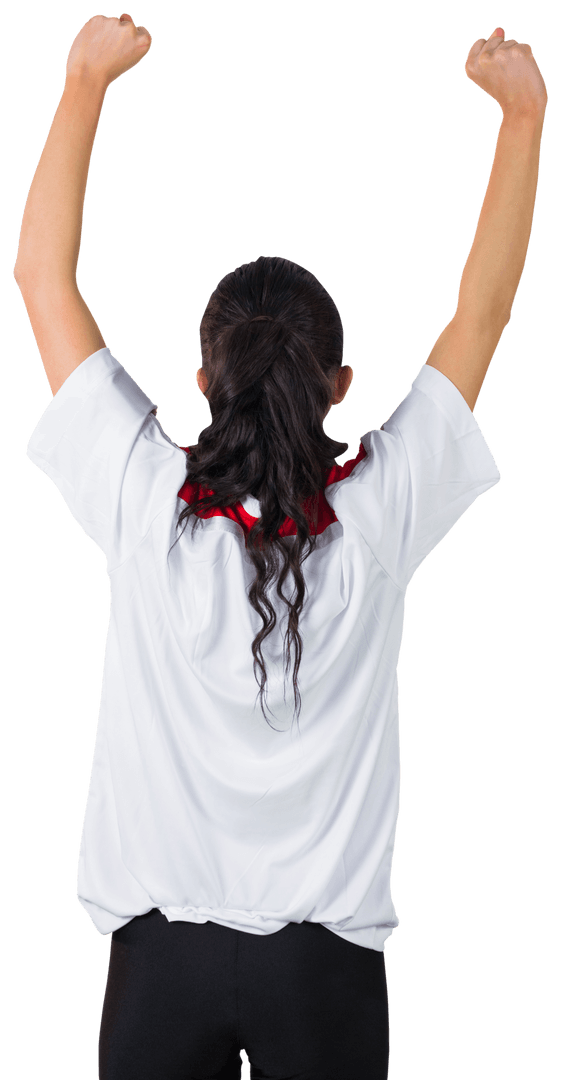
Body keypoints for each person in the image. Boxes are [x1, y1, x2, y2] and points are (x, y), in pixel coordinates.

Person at [12, 13, 548, 1080]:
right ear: (340, 383)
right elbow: (478, 316)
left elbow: (40, 277)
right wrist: (526, 117)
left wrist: (82, 82)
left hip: (156, 965)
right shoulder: (382, 512)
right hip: (326, 972)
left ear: (205, 374)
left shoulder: (140, 494)